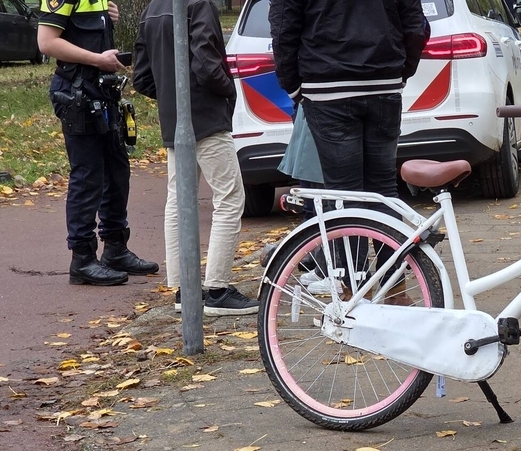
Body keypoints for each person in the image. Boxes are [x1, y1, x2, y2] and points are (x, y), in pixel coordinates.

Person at [269, 0, 430, 303]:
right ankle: (395, 288)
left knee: (344, 195)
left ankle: (353, 292)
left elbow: (282, 29)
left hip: (327, 87)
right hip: (383, 83)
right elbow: (414, 24)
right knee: (384, 191)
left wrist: (294, 88)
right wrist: (400, 71)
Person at [133, 0, 259, 315]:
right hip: (207, 116)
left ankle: (182, 288)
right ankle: (216, 287)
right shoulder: (199, 5)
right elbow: (206, 62)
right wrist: (227, 91)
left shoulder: (152, 9)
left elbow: (142, 76)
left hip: (174, 119)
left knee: (178, 201)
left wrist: (170, 94)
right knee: (229, 198)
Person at [37, 0, 160, 286]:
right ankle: (82, 259)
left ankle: (115, 248)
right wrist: (97, 59)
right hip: (77, 92)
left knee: (117, 172)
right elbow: (46, 42)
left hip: (102, 92)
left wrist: (107, 18)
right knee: (88, 175)